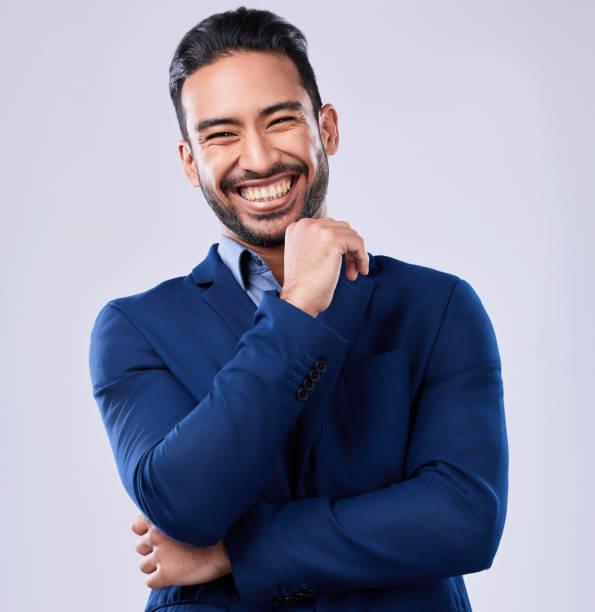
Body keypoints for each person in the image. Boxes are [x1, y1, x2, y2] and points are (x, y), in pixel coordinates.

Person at [88, 6, 508, 611]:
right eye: (221, 134)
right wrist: (299, 305)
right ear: (189, 162)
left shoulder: (437, 306)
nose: (259, 159)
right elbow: (183, 504)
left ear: (326, 128)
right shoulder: (136, 329)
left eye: (280, 121)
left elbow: (464, 518)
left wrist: (237, 553)